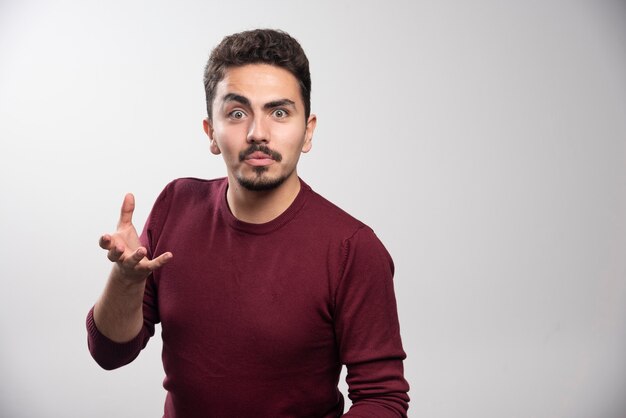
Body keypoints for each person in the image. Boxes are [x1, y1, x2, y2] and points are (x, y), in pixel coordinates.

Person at [87, 28, 410, 417]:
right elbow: (110, 353)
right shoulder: (176, 204)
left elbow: (383, 400)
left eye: (279, 112)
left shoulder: (352, 249)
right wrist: (125, 281)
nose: (258, 133)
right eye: (237, 113)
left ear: (307, 132)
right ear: (211, 132)